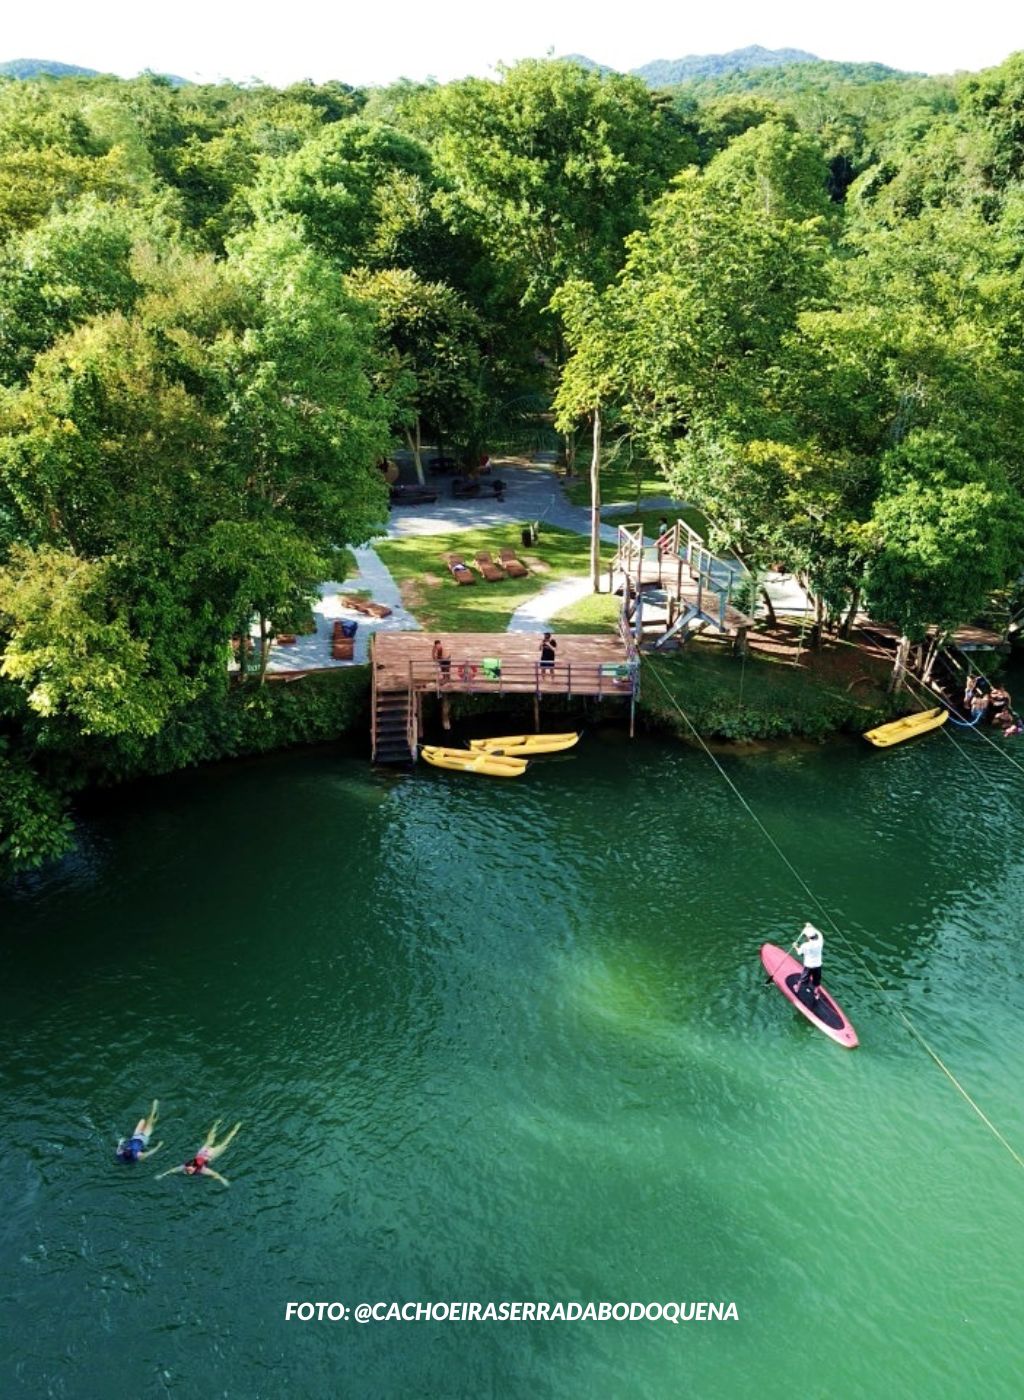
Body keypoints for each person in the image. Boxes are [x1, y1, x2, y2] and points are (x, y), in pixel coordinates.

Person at [156, 1121, 242, 1188]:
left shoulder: (195, 1168)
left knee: (218, 1142)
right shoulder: (197, 1169)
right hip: (205, 1153)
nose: (188, 1168)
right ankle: (234, 1128)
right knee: (222, 1142)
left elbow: (173, 1170)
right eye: (189, 1170)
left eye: (188, 1169)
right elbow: (214, 1174)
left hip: (207, 1154)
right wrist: (223, 1180)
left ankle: (217, 1125)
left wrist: (162, 1175)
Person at [116, 1099, 162, 1164]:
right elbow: (150, 1153)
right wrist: (158, 1146)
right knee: (150, 1121)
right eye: (129, 1150)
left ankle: (153, 1114)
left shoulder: (120, 1154)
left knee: (142, 1120)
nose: (127, 1148)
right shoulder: (138, 1155)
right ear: (131, 1153)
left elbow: (119, 1148)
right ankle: (154, 1109)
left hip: (135, 1136)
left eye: (126, 1149)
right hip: (144, 1138)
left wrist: (120, 1142)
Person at [794, 922, 824, 1001]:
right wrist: (811, 926)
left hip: (809, 965)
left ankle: (797, 988)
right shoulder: (820, 941)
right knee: (817, 981)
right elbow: (819, 933)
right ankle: (816, 993)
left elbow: (799, 953)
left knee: (803, 978)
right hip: (818, 965)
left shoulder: (805, 945)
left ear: (808, 937)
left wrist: (795, 946)